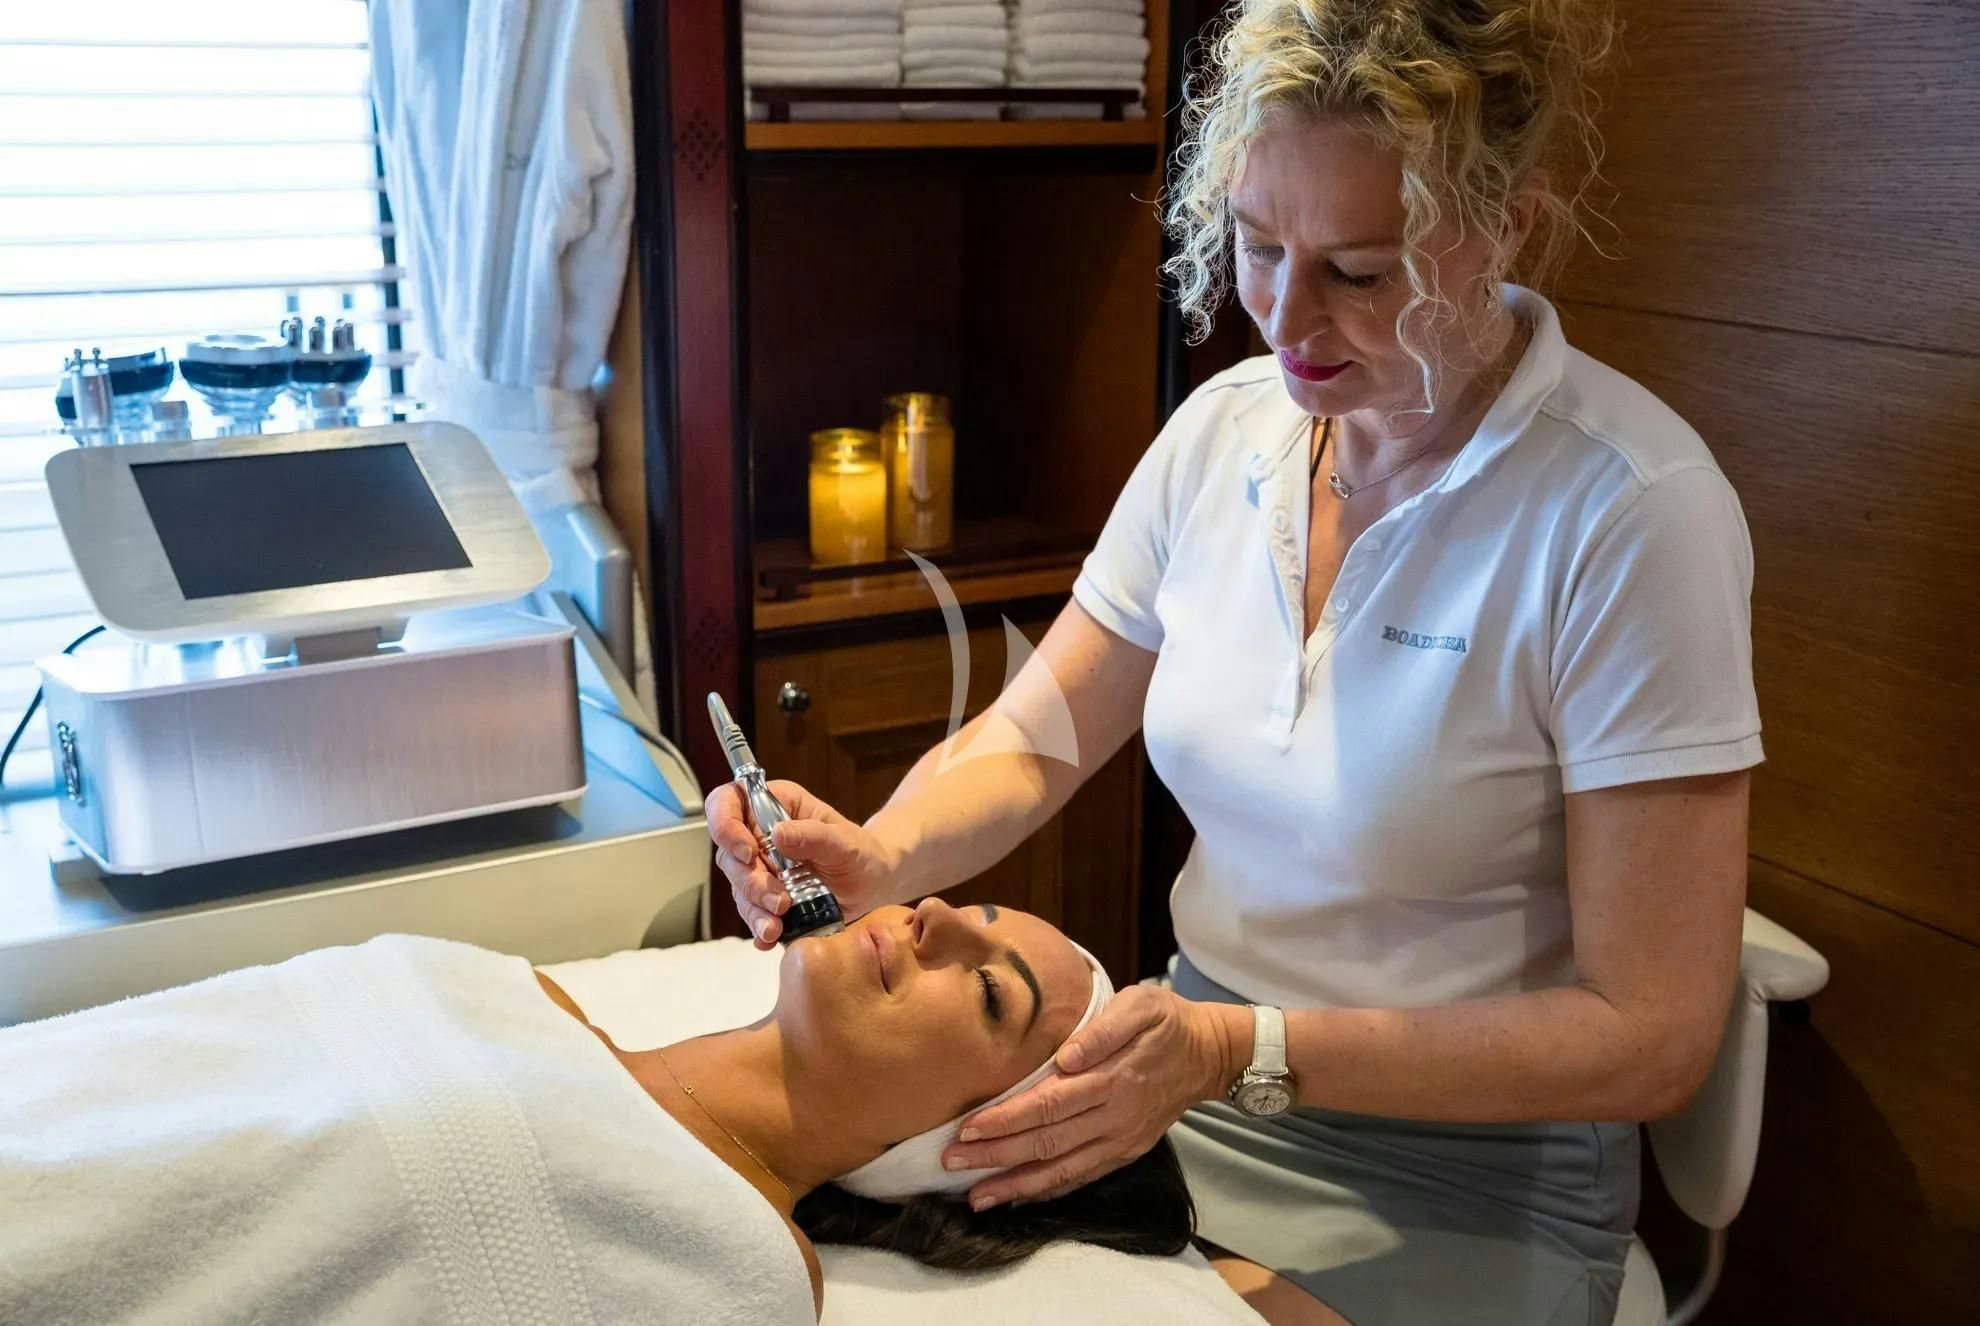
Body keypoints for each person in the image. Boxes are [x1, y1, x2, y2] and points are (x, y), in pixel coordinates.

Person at [708, 2, 1760, 1322]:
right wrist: (885, 849)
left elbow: (1652, 1032)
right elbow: (1033, 736)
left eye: (1360, 271)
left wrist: (1241, 1049)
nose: (1289, 318)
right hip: (1178, 1079)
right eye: (1260, 246)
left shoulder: (1627, 514)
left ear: (1509, 226)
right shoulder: (1225, 435)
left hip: (1466, 1164)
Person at [0, 900, 1194, 1324]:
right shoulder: (513, 992)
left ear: (964, 1148)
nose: (929, 919)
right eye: (969, 911)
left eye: (988, 991)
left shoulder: (721, 1263)